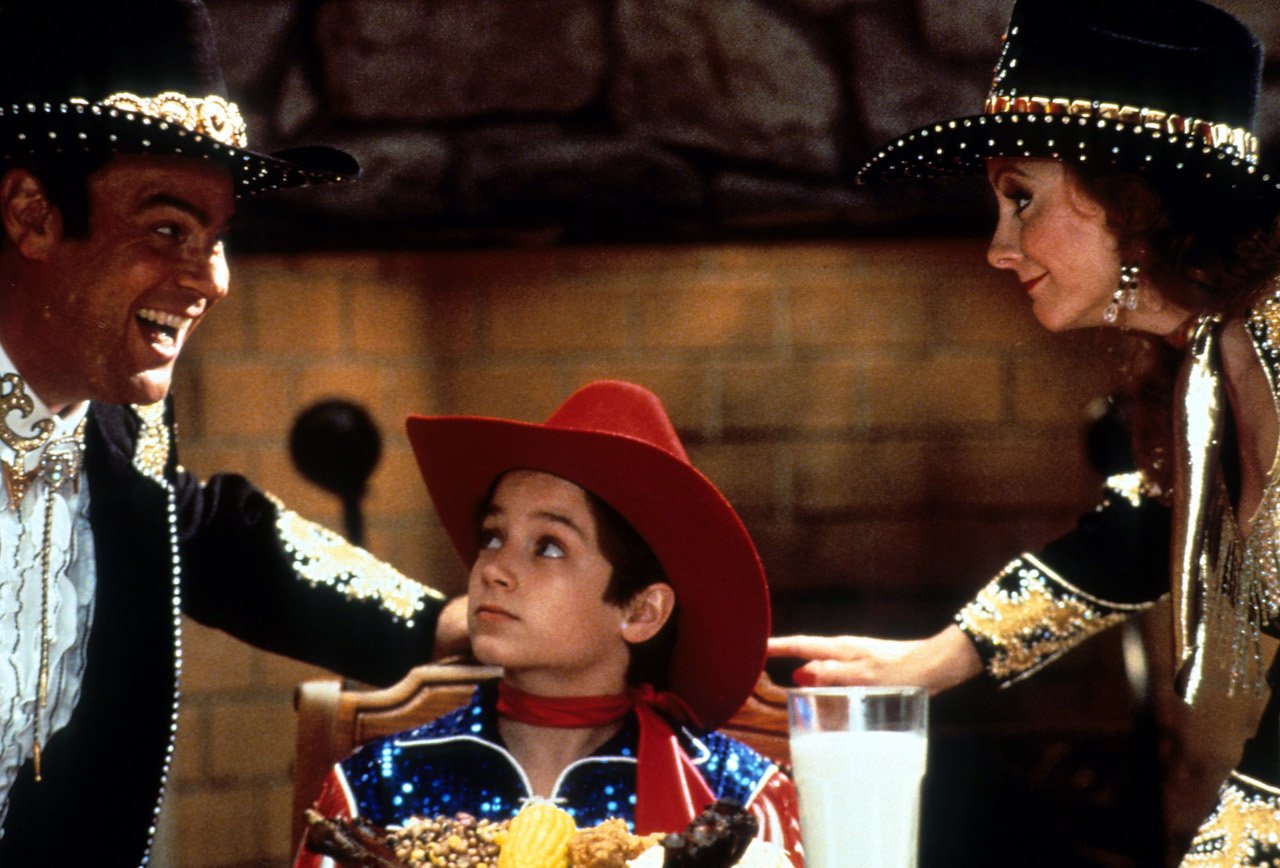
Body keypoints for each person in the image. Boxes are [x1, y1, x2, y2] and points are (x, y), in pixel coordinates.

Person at [767, 0, 1280, 863]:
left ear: (1137, 198)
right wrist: (933, 661)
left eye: (1021, 199)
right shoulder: (1205, 356)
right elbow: (1146, 533)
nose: (998, 248)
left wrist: (1238, 845)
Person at [0, 2, 466, 863]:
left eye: (217, 236)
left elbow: (199, 530)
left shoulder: (118, 416)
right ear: (31, 214)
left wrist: (449, 627)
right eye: (168, 228)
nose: (212, 280)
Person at [296, 380, 803, 867]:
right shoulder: (373, 788)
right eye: (493, 536)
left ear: (640, 611)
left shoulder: (743, 801)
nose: (494, 569)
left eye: (549, 546)